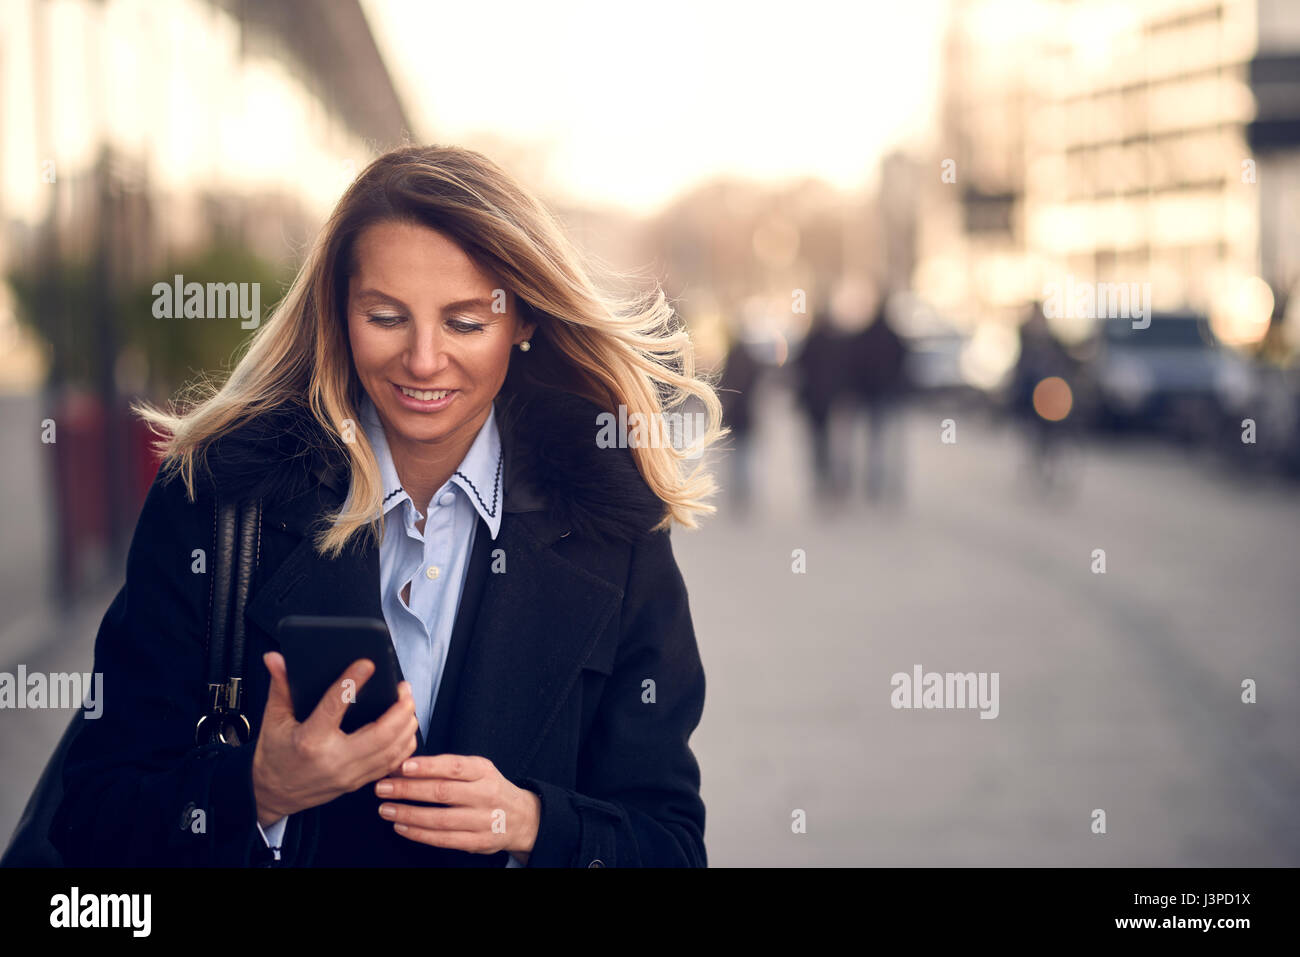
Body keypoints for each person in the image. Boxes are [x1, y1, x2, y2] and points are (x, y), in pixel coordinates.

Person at [50, 145, 722, 867]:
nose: (424, 359)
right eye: (386, 316)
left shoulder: (613, 526)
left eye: (465, 322)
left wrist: (532, 821)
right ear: (340, 312)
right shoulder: (215, 500)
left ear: (522, 320)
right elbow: (91, 814)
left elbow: (670, 843)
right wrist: (258, 789)